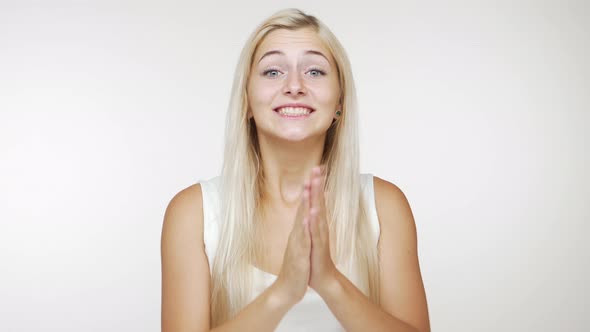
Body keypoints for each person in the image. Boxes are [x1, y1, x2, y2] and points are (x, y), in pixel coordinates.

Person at [161, 8, 430, 332]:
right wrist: (283, 292)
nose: (294, 85)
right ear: (246, 99)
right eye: (273, 71)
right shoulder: (194, 214)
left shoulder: (384, 206)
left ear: (340, 101)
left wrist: (330, 283)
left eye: (315, 71)